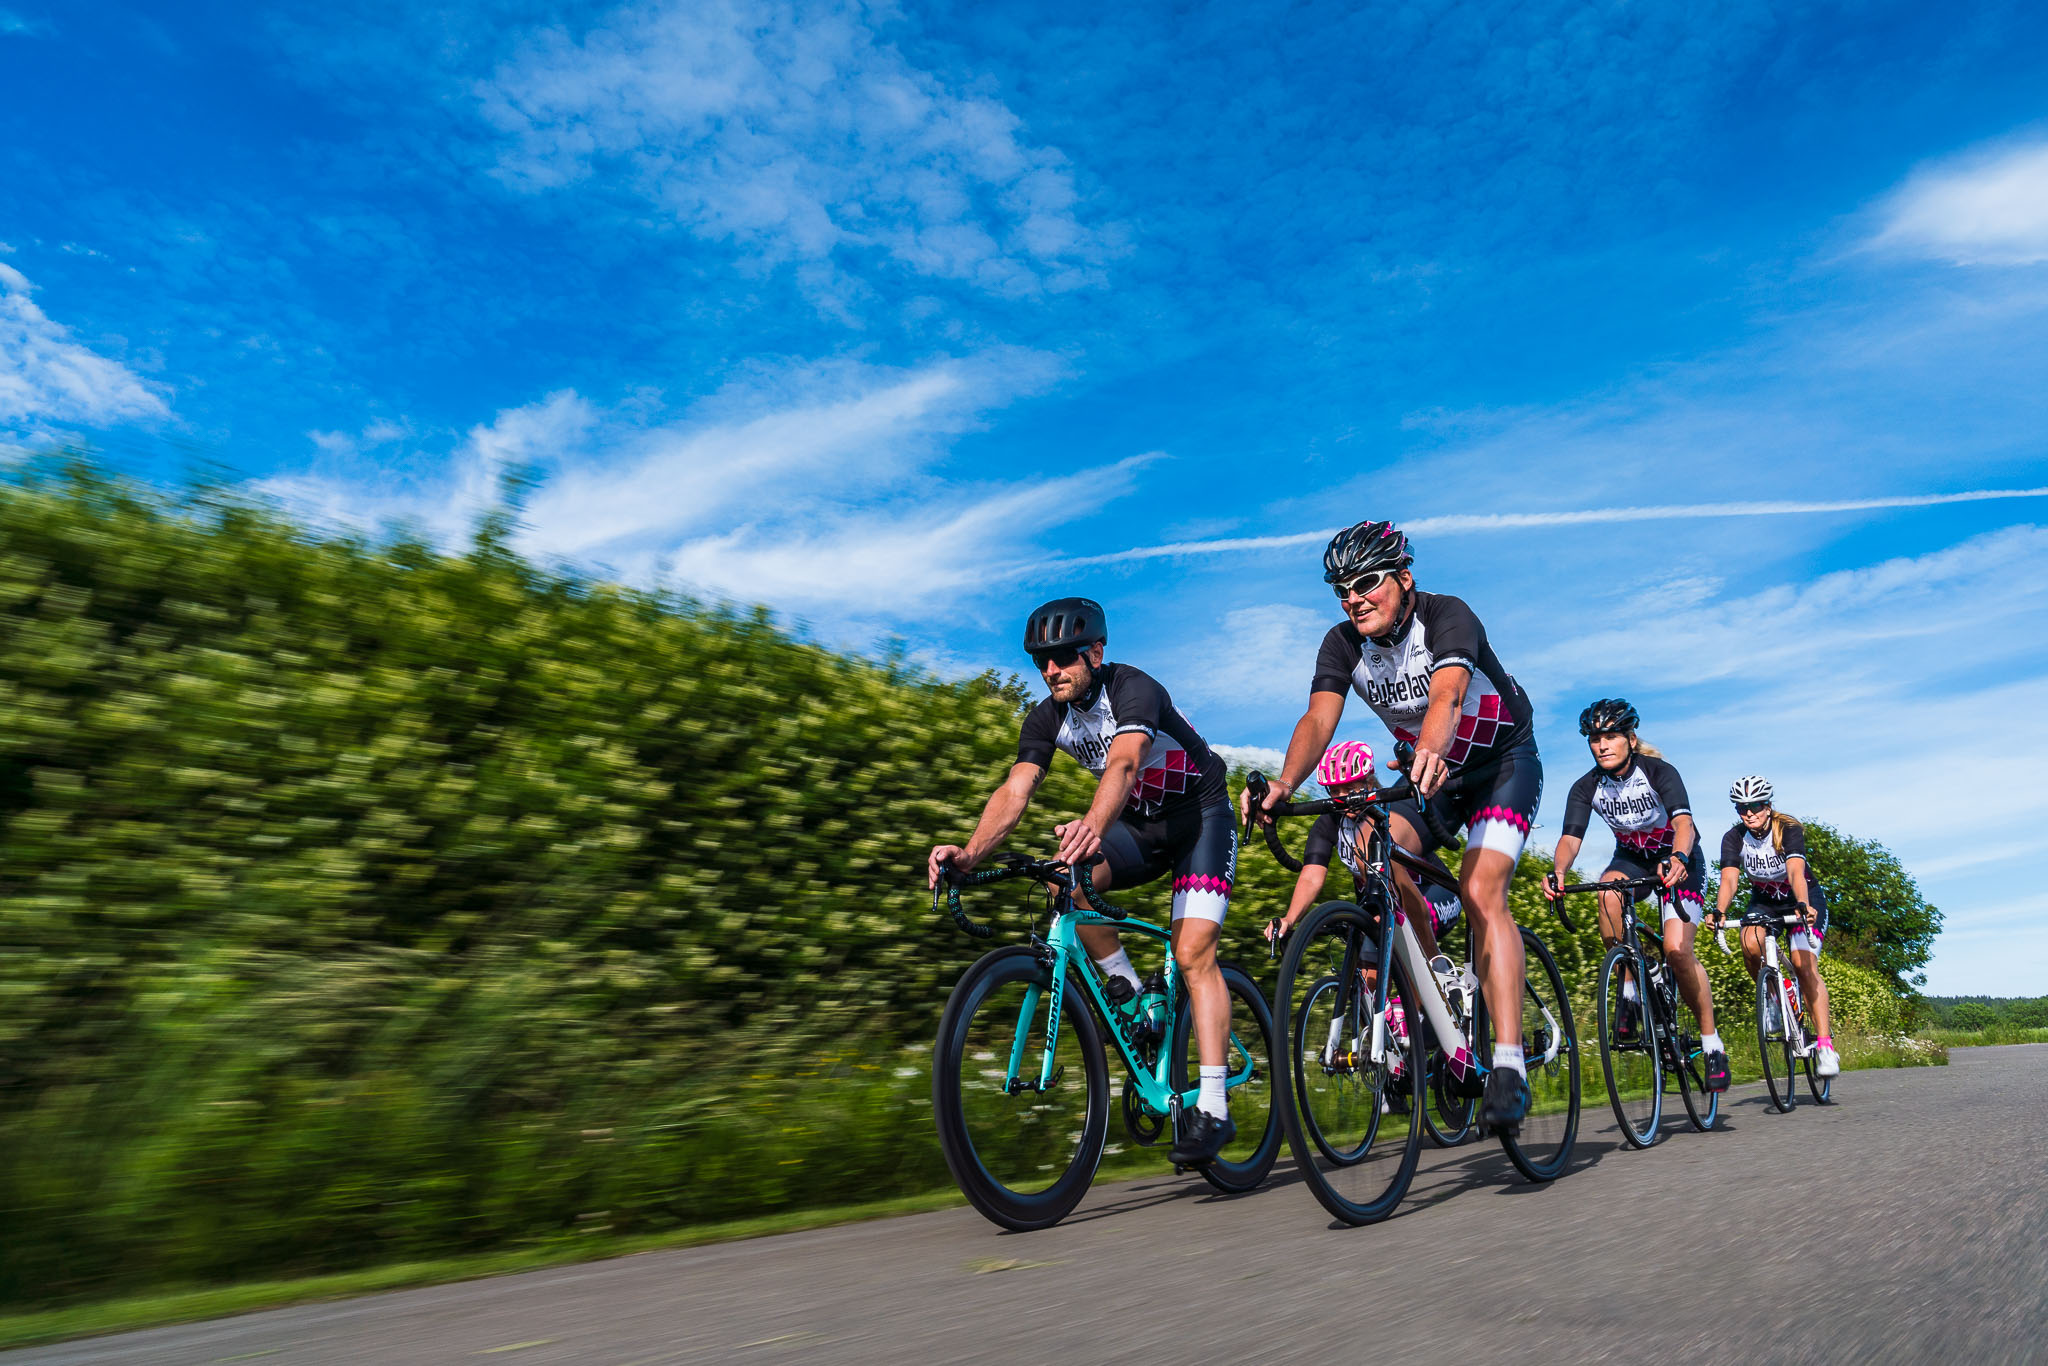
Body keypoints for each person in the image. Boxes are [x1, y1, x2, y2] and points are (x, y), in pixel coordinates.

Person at [1245, 519, 1542, 1133]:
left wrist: (1430, 747)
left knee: (1481, 890)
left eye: (1367, 583)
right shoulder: (1341, 645)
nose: (1353, 598)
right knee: (1370, 851)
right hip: (1429, 779)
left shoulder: (1447, 615)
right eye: (1342, 590)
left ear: (1404, 578)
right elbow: (1317, 721)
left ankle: (1510, 1066)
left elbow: (1448, 695)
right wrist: (1283, 785)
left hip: (1500, 765)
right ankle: (1439, 991)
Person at [926, 597, 1242, 1163]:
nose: (1051, 671)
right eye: (1040, 662)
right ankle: (1130, 995)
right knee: (1062, 879)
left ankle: (1214, 1107)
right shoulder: (1047, 717)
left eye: (1064, 658)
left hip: (1202, 818)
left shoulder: (1135, 689)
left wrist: (1094, 825)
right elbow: (1016, 790)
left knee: (1193, 953)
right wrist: (970, 853)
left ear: (1095, 653)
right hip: (1142, 826)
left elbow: (1124, 763)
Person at [1541, 699, 1730, 1092]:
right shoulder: (1586, 787)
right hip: (1632, 860)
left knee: (1677, 950)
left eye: (1610, 736)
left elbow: (1684, 823)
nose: (1601, 745)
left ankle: (1712, 1044)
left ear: (1630, 739)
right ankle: (1631, 988)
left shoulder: (1658, 772)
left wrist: (1679, 857)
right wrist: (1558, 872)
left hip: (1678, 859)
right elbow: (1570, 839)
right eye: (1594, 738)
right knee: (1608, 891)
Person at [1706, 776, 1839, 1077]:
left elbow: (1795, 872)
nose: (1749, 813)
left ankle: (1825, 1046)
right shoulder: (1734, 837)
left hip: (1802, 898)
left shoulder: (1787, 829)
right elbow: (1729, 879)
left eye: (1755, 806)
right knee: (1749, 942)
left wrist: (1803, 904)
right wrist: (1720, 911)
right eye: (1742, 808)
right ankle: (1775, 998)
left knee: (1803, 965)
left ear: (1767, 806)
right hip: (1765, 902)